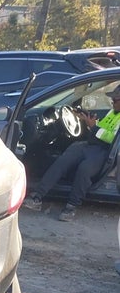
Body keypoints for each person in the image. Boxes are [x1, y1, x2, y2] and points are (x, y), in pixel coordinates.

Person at [23, 86, 120, 221]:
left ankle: (71, 206)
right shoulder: (113, 112)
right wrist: (88, 121)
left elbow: (112, 138)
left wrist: (93, 126)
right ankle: (37, 196)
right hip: (90, 145)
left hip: (105, 151)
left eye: (115, 99)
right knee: (63, 160)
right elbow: (102, 129)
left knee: (84, 169)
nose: (112, 102)